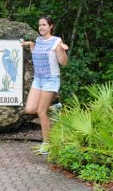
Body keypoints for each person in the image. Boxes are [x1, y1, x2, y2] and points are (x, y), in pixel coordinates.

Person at [21, 15, 68, 155]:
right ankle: (54, 108)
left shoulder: (56, 41)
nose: (41, 27)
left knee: (41, 112)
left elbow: (63, 62)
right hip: (38, 79)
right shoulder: (39, 40)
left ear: (51, 26)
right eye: (40, 25)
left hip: (50, 80)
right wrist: (31, 44)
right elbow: (37, 54)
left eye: (44, 25)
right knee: (30, 109)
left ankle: (47, 144)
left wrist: (61, 49)